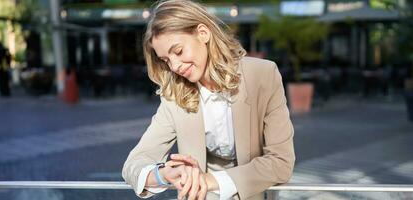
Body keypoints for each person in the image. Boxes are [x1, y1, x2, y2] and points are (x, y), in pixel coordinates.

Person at [121, 1, 295, 200]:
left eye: (178, 51)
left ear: (203, 33)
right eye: (166, 60)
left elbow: (281, 162)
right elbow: (133, 164)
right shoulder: (175, 95)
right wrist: (163, 175)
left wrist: (208, 180)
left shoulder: (263, 74)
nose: (175, 66)